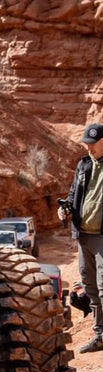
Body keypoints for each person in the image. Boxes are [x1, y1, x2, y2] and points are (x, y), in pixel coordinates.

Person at [59, 122, 103, 352]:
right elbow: (73, 194)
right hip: (84, 236)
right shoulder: (83, 166)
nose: (89, 148)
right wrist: (65, 208)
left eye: (93, 144)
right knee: (91, 288)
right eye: (86, 144)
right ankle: (100, 335)